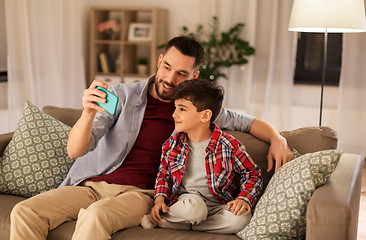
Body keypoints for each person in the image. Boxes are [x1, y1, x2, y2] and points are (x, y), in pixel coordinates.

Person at [10, 36, 293, 240]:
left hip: (141, 195)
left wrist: (278, 140)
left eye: (181, 73)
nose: (170, 78)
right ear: (160, 61)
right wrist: (87, 114)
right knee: (25, 211)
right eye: (167, 67)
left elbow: (250, 122)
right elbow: (75, 150)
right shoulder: (121, 96)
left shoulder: (194, 110)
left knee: (96, 216)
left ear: (194, 75)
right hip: (91, 185)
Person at [141, 79, 262, 234]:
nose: (174, 114)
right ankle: (163, 217)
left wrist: (244, 198)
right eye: (175, 108)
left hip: (217, 205)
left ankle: (181, 223)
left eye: (182, 109)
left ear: (205, 116)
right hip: (188, 202)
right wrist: (159, 200)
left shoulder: (230, 146)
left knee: (241, 219)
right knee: (194, 209)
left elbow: (253, 174)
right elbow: (163, 176)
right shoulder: (172, 145)